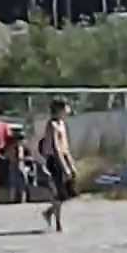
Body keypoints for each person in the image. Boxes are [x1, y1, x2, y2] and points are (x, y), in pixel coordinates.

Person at [40, 97, 76, 230]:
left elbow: (65, 147)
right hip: (55, 160)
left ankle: (49, 212)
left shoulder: (62, 124)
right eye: (66, 107)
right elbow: (56, 148)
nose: (68, 110)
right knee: (60, 192)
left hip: (64, 158)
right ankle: (58, 223)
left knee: (69, 192)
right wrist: (64, 167)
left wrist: (71, 164)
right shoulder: (52, 125)